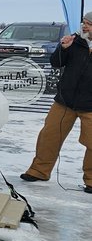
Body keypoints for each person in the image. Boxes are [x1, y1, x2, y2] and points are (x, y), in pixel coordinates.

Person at [21, 10, 92, 192]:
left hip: (90, 105)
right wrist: (63, 48)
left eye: (89, 24)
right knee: (49, 136)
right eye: (84, 22)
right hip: (65, 100)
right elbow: (56, 63)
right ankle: (39, 171)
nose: (84, 26)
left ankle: (91, 180)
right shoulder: (75, 42)